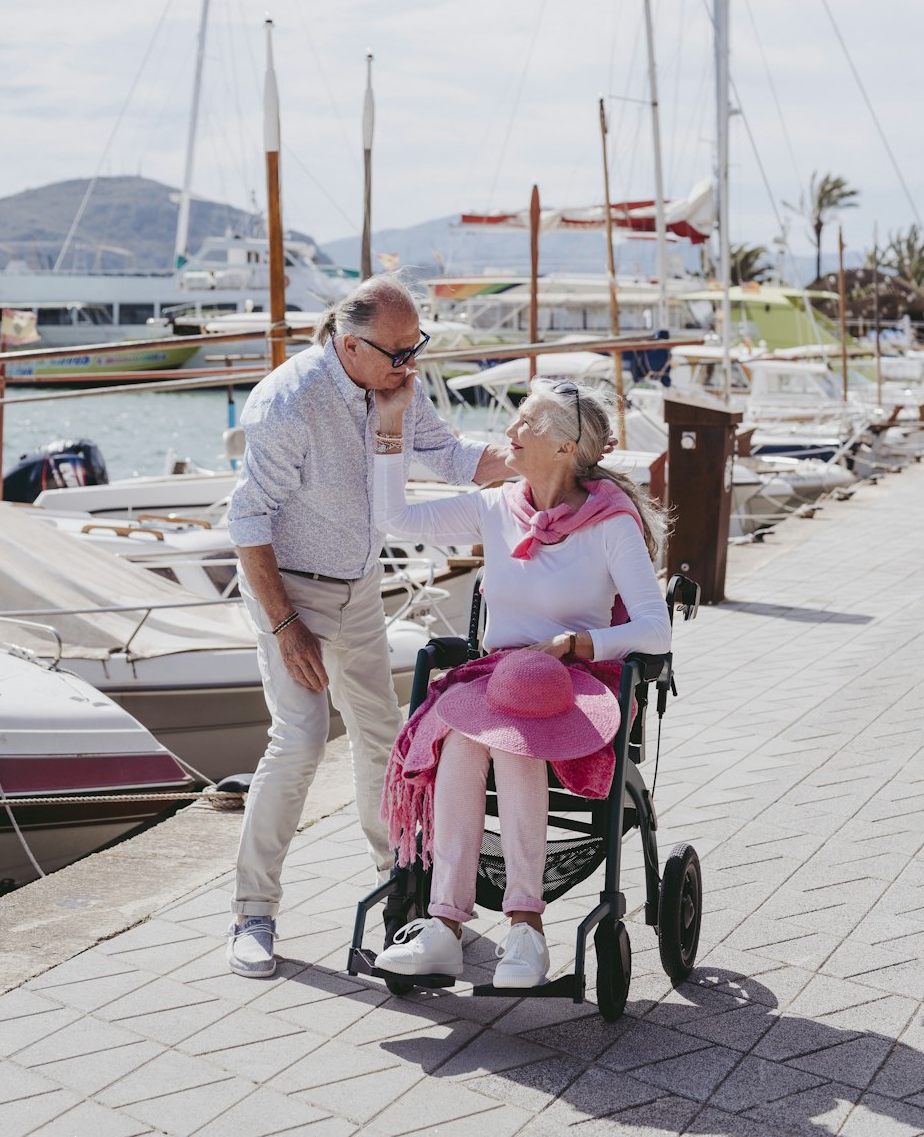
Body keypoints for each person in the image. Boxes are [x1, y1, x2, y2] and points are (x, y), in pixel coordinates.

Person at [225, 275, 509, 978]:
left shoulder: (397, 379)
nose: (410, 365)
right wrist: (286, 624)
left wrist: (549, 460)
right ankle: (251, 912)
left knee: (385, 740)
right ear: (348, 344)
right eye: (397, 352)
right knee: (300, 740)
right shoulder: (286, 402)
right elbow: (247, 521)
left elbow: (447, 453)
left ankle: (410, 901)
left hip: (357, 588)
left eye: (418, 348)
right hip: (288, 592)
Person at [371, 375, 670, 990]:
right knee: (462, 737)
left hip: (576, 684)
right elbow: (393, 517)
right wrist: (390, 426)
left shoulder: (611, 524)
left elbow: (654, 630)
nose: (509, 431)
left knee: (516, 735)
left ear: (565, 447)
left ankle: (525, 929)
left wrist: (579, 644)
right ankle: (444, 928)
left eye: (526, 421)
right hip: (497, 676)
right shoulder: (494, 506)